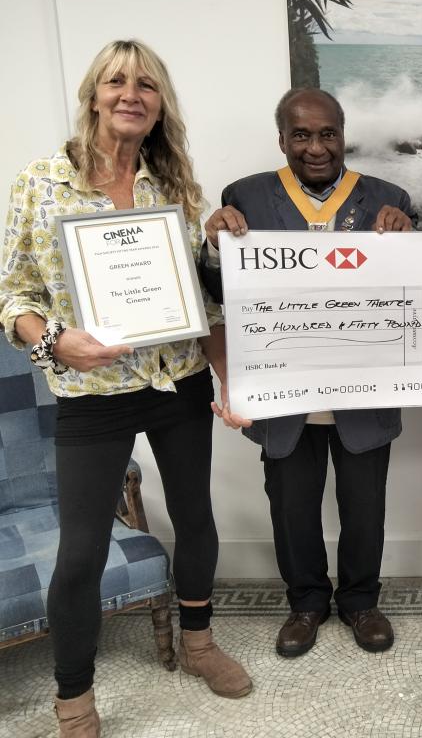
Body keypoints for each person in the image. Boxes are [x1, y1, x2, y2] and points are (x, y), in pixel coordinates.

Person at [0, 39, 250, 737]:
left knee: (195, 518)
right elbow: (12, 294)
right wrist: (54, 342)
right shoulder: (40, 182)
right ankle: (73, 699)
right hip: (93, 391)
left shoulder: (171, 188)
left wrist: (231, 378)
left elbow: (204, 304)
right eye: (116, 81)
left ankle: (198, 643)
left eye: (146, 84)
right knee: (81, 550)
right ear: (93, 95)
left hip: (177, 381)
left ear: (160, 105)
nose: (130, 94)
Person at [199, 88, 415, 659]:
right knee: (291, 508)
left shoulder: (389, 200)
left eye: (327, 134)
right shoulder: (245, 196)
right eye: (301, 135)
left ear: (343, 136)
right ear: (282, 140)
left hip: (363, 391)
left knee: (364, 507)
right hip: (283, 392)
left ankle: (361, 601)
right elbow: (221, 292)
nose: (316, 147)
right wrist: (215, 246)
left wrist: (408, 240)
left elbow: (415, 292)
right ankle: (306, 603)